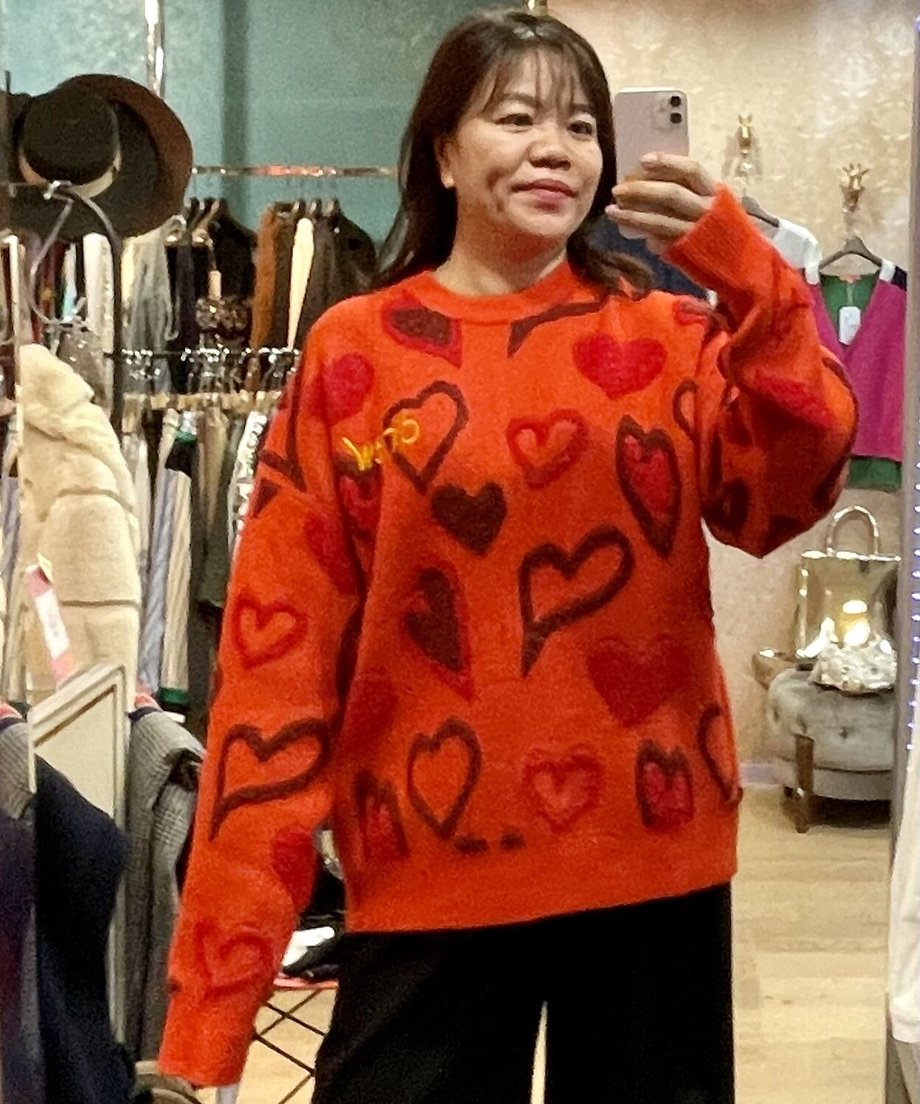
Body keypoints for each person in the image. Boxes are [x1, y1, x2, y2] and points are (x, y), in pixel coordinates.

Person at [159, 9, 856, 1102]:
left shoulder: (668, 337)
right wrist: (214, 1000)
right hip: (426, 862)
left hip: (650, 859)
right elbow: (275, 673)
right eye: (516, 117)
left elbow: (784, 494)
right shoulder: (356, 354)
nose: (553, 148)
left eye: (580, 126)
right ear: (443, 151)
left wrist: (750, 281)